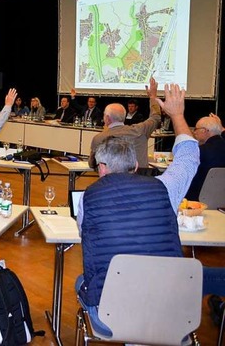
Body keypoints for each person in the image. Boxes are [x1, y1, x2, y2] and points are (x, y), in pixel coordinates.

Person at [75, 83, 199, 337]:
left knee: (81, 282)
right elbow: (189, 156)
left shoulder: (88, 199)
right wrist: (177, 115)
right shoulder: (165, 188)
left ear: (101, 167)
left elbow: (85, 234)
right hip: (170, 311)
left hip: (112, 312)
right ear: (135, 165)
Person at [89, 77, 161, 170]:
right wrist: (153, 97)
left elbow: (92, 164)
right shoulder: (140, 130)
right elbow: (156, 117)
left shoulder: (99, 138)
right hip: (140, 180)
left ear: (107, 118)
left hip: (114, 182)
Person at [185, 115, 225, 200]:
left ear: (204, 131)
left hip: (198, 199)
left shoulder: (200, 151)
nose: (194, 132)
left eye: (196, 129)